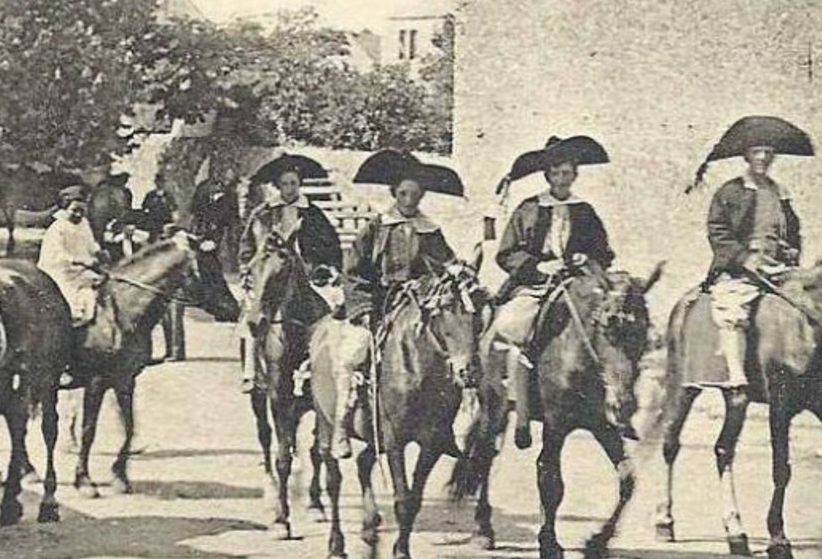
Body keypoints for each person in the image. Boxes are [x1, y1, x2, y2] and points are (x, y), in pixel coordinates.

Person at [489, 153, 615, 449]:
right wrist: (537, 267)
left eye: (567, 173)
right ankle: (519, 408)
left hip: (576, 280)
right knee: (514, 325)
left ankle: (612, 399)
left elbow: (603, 251)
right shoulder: (530, 208)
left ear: (575, 175)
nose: (561, 179)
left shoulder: (583, 210)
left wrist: (588, 257)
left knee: (608, 321)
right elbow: (506, 252)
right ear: (548, 176)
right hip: (537, 281)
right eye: (556, 173)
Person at [332, 164, 459, 457]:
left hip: (420, 304)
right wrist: (362, 306)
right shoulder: (376, 228)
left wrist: (454, 270)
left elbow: (446, 262)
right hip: (379, 304)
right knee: (353, 354)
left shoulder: (430, 230)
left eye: (414, 194)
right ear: (394, 194)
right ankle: (342, 423)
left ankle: (444, 428)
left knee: (452, 352)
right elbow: (352, 271)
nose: (408, 199)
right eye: (403, 193)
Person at [236, 156, 344, 393]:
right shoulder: (263, 213)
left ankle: (318, 363)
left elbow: (331, 245)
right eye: (284, 184)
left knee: (328, 312)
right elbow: (246, 246)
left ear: (299, 185)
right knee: (251, 316)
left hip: (306, 275)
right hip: (269, 275)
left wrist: (328, 266)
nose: (289, 189)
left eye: (294, 184)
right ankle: (251, 371)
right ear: (277, 186)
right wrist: (247, 268)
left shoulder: (312, 214)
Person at [703, 144, 803, 393]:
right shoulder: (731, 191)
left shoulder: (780, 192)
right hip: (742, 267)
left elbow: (793, 230)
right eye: (757, 151)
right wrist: (743, 259)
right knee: (733, 307)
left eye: (769, 152)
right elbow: (718, 231)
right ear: (746, 156)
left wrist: (791, 250)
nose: (763, 157)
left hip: (777, 265)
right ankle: (736, 375)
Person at [38, 185, 106, 326]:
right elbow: (58, 256)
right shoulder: (58, 228)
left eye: (82, 211)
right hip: (59, 273)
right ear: (65, 209)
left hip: (80, 272)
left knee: (99, 292)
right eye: (74, 210)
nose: (78, 215)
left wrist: (98, 252)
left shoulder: (84, 224)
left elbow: (90, 244)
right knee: (70, 305)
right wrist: (80, 261)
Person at [137, 169, 186, 362]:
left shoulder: (168, 197)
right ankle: (169, 350)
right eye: (157, 182)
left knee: (173, 316)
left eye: (161, 181)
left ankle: (176, 350)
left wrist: (171, 225)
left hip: (165, 230)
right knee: (165, 316)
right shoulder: (150, 197)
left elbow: (174, 214)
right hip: (154, 232)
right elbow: (144, 213)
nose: (159, 184)